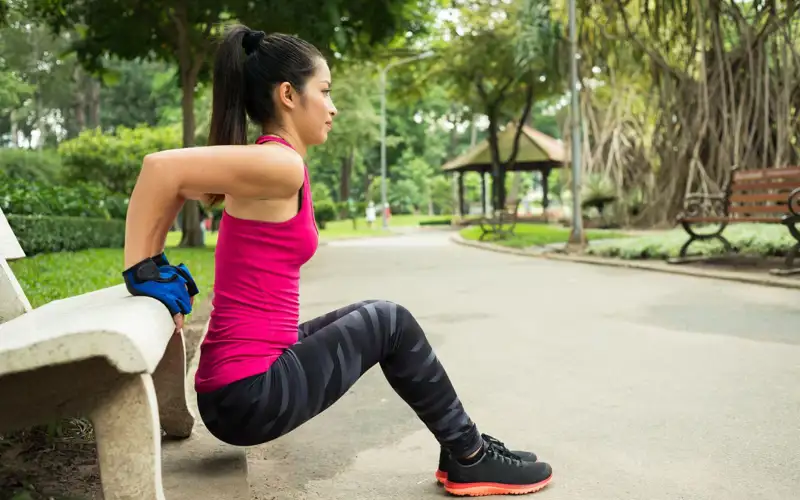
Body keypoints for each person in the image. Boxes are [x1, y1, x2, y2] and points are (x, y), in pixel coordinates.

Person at [121, 24, 552, 497]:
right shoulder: (279, 165)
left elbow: (179, 185)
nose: (333, 107)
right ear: (288, 94)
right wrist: (145, 269)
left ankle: (462, 448)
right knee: (391, 321)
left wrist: (154, 264)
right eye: (324, 92)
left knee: (378, 316)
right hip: (248, 396)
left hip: (240, 386)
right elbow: (161, 171)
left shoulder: (273, 165)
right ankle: (470, 457)